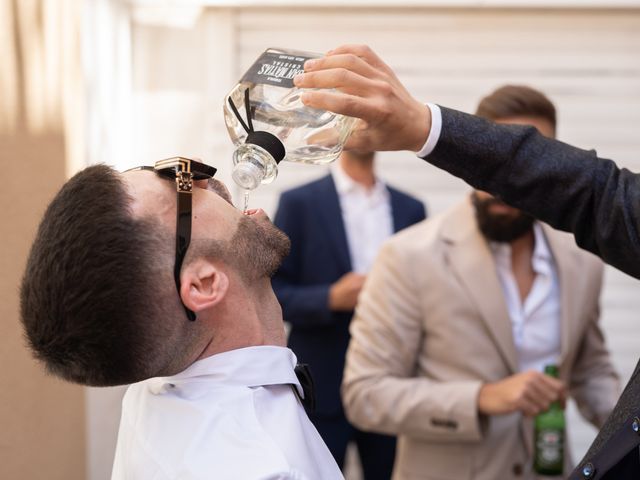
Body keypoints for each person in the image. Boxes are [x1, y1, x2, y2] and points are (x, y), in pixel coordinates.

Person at [294, 44, 640, 479]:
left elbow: (590, 372)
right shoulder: (407, 255)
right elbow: (365, 396)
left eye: (532, 166)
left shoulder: (582, 260)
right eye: (502, 162)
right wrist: (481, 398)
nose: (510, 185)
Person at [20, 158, 343, 479]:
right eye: (180, 182)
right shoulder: (269, 470)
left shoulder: (148, 400)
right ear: (203, 284)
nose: (202, 175)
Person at [272, 150, 426, 477]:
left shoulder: (411, 208)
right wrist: (330, 298)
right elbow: (273, 295)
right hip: (322, 383)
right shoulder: (298, 203)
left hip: (393, 381)